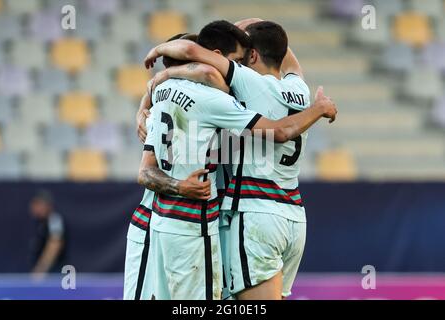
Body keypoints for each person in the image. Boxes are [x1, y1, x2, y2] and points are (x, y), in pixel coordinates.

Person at [140, 20, 337, 300]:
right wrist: (318, 108)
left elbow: (195, 54)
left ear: (252, 56)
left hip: (256, 212)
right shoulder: (299, 86)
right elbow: (286, 56)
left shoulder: (248, 82)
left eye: (245, 56)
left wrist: (160, 71)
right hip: (294, 215)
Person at [123, 33, 210, 300]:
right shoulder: (164, 104)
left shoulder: (196, 102)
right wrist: (182, 187)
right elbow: (145, 172)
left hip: (186, 226)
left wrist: (144, 102)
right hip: (155, 221)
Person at [29, 190, 66, 277]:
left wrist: (41, 269)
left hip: (54, 272)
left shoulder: (54, 220)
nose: (35, 207)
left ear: (47, 206)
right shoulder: (40, 222)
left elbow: (55, 245)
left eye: (38, 204)